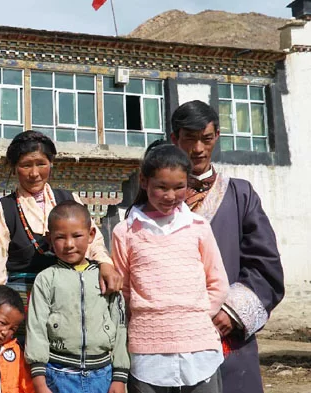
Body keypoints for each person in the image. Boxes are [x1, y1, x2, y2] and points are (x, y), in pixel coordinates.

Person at [170, 101, 285, 393]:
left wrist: (232, 313)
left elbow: (265, 266)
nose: (198, 149)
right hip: (170, 338)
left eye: (206, 139)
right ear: (174, 139)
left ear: (217, 136)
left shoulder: (240, 195)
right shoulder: (155, 197)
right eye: (189, 139)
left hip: (228, 339)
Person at [0, 131, 122, 335]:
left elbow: (93, 243)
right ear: (14, 168)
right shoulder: (6, 208)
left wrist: (106, 265)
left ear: (51, 163)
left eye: (41, 163)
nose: (34, 173)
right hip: (23, 299)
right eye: (25, 165)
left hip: (68, 296)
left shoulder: (69, 199)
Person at [111, 142, 230, 393]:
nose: (170, 196)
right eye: (161, 187)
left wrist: (193, 315)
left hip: (199, 348)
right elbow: (123, 290)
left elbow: (217, 281)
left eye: (179, 187)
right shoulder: (125, 232)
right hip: (147, 350)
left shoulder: (197, 226)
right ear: (144, 182)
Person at [26, 200, 128, 393]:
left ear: (91, 235)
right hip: (57, 375)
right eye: (60, 237)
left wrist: (120, 376)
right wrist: (39, 380)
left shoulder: (105, 276)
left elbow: (120, 325)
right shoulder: (46, 279)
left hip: (102, 375)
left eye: (77, 235)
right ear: (49, 239)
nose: (69, 244)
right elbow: (36, 328)